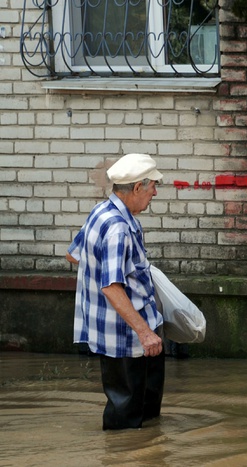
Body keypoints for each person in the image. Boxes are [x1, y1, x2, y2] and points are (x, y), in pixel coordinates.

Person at [66, 153, 165, 430]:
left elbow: (73, 255)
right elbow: (111, 287)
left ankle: (144, 452)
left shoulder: (101, 211)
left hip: (133, 329)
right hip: (127, 336)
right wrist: (145, 333)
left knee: (145, 411)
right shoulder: (118, 229)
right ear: (136, 188)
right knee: (126, 417)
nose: (154, 193)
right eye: (152, 186)